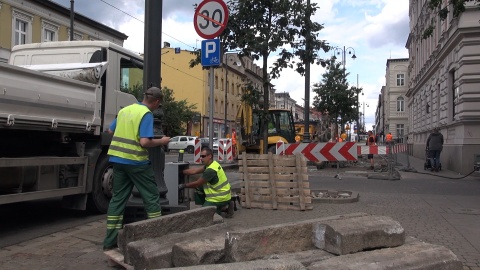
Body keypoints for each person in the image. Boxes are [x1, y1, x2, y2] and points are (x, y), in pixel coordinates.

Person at [103, 87, 171, 251]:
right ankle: (156, 238)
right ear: (155, 101)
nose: (157, 107)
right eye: (158, 104)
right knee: (152, 197)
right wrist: (162, 141)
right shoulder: (146, 114)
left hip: (117, 161)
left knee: (118, 199)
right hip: (136, 162)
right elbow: (144, 142)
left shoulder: (125, 110)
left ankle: (110, 241)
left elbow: (110, 130)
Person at [180, 147, 234, 218]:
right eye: (200, 156)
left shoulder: (210, 170)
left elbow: (197, 184)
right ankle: (223, 206)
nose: (201, 158)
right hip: (225, 195)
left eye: (203, 156)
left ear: (210, 156)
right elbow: (195, 171)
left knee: (203, 215)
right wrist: (181, 171)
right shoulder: (213, 164)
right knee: (199, 189)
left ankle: (220, 208)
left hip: (219, 198)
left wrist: (183, 186)